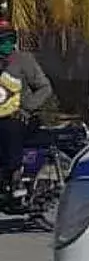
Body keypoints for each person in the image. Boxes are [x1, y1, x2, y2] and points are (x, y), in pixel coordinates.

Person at [0, 20, 54, 209]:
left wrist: (26, 107)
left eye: (9, 40)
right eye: (1, 40)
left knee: (10, 127)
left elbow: (45, 88)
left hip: (21, 117)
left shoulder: (24, 61)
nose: (6, 44)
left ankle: (15, 176)